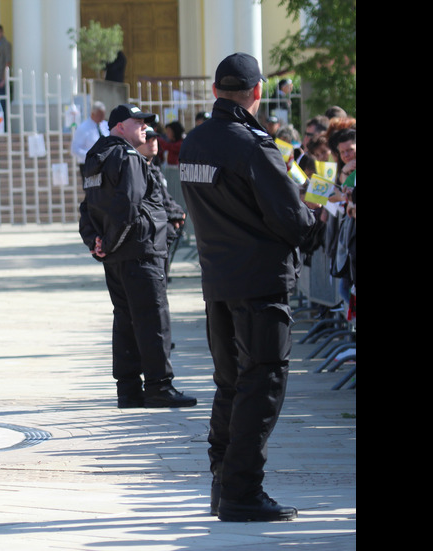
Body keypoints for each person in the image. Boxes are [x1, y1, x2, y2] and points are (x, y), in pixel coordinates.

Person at [178, 53, 316, 522]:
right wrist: (313, 218)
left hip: (218, 278)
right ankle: (241, 489)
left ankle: (222, 482)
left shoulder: (195, 142)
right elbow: (292, 220)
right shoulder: (253, 145)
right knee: (263, 382)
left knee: (231, 384)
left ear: (217, 91)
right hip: (259, 281)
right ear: (257, 93)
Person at [78, 103, 197, 410]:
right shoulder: (128, 158)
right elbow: (128, 205)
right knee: (152, 318)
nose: (145, 127)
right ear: (119, 126)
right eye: (139, 122)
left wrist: (97, 242)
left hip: (117, 256)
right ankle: (159, 386)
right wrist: (111, 242)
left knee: (126, 320)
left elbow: (87, 208)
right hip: (140, 250)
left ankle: (129, 390)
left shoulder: (96, 156)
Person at [138, 127, 186, 278]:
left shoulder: (153, 166)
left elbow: (165, 196)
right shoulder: (137, 168)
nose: (152, 143)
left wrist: (176, 213)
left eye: (154, 139)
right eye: (147, 140)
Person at [71, 101, 108, 179]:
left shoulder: (106, 125)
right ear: (93, 114)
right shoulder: (83, 128)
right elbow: (75, 149)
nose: (102, 117)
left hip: (105, 165)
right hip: (89, 166)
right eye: (100, 115)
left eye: (103, 115)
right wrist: (92, 156)